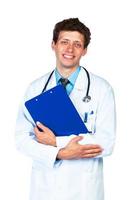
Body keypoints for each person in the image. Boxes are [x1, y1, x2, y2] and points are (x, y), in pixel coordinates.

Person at [15, 18, 116, 200]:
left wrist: (55, 142)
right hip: (46, 189)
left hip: (85, 190)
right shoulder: (35, 89)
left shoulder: (102, 89)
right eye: (64, 42)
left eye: (77, 44)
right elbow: (22, 140)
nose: (70, 49)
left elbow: (106, 144)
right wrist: (61, 153)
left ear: (84, 50)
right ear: (53, 45)